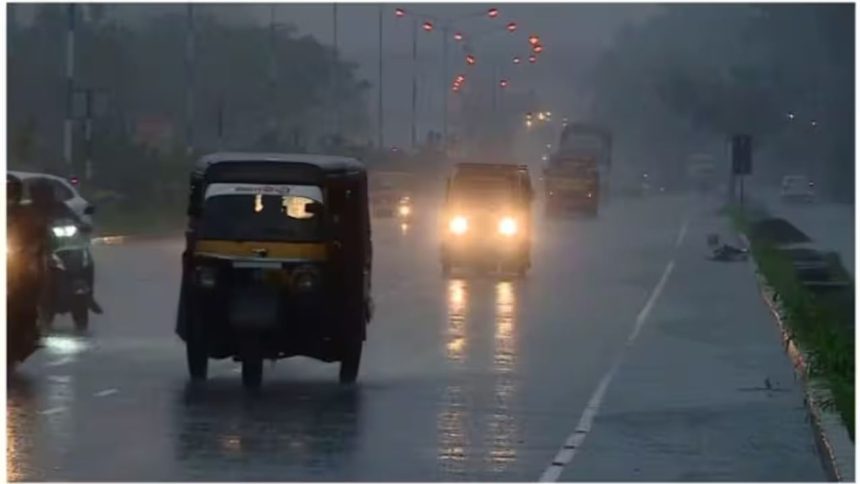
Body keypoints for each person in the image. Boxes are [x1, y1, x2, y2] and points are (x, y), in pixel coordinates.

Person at [29, 179, 102, 315]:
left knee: (86, 259)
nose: (43, 196)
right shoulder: (28, 209)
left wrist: (82, 226)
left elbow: (74, 219)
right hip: (33, 248)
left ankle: (88, 295)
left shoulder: (61, 207)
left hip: (59, 247)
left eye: (46, 193)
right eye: (40, 193)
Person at [7, 175, 45, 358]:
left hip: (19, 260)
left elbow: (40, 233)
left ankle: (31, 329)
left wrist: (31, 247)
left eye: (10, 190)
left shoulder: (26, 213)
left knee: (31, 283)